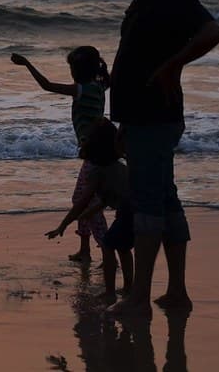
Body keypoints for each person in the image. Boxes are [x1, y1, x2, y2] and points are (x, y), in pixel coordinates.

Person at [108, 0, 219, 317]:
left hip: (157, 118)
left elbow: (212, 31)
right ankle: (176, 292)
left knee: (147, 207)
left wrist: (175, 65)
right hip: (143, 118)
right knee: (166, 202)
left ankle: (139, 297)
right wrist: (124, 122)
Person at [11, 46, 111, 262]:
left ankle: (106, 249)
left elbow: (46, 85)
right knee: (80, 199)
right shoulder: (100, 85)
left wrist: (27, 64)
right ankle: (86, 250)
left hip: (94, 156)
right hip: (96, 153)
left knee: (87, 203)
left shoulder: (82, 89)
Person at [45, 117, 134, 301]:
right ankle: (128, 289)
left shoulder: (98, 172)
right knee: (123, 249)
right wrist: (88, 214)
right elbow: (104, 200)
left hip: (128, 213)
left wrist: (62, 226)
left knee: (109, 245)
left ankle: (110, 293)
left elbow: (82, 201)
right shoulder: (116, 167)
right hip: (139, 210)